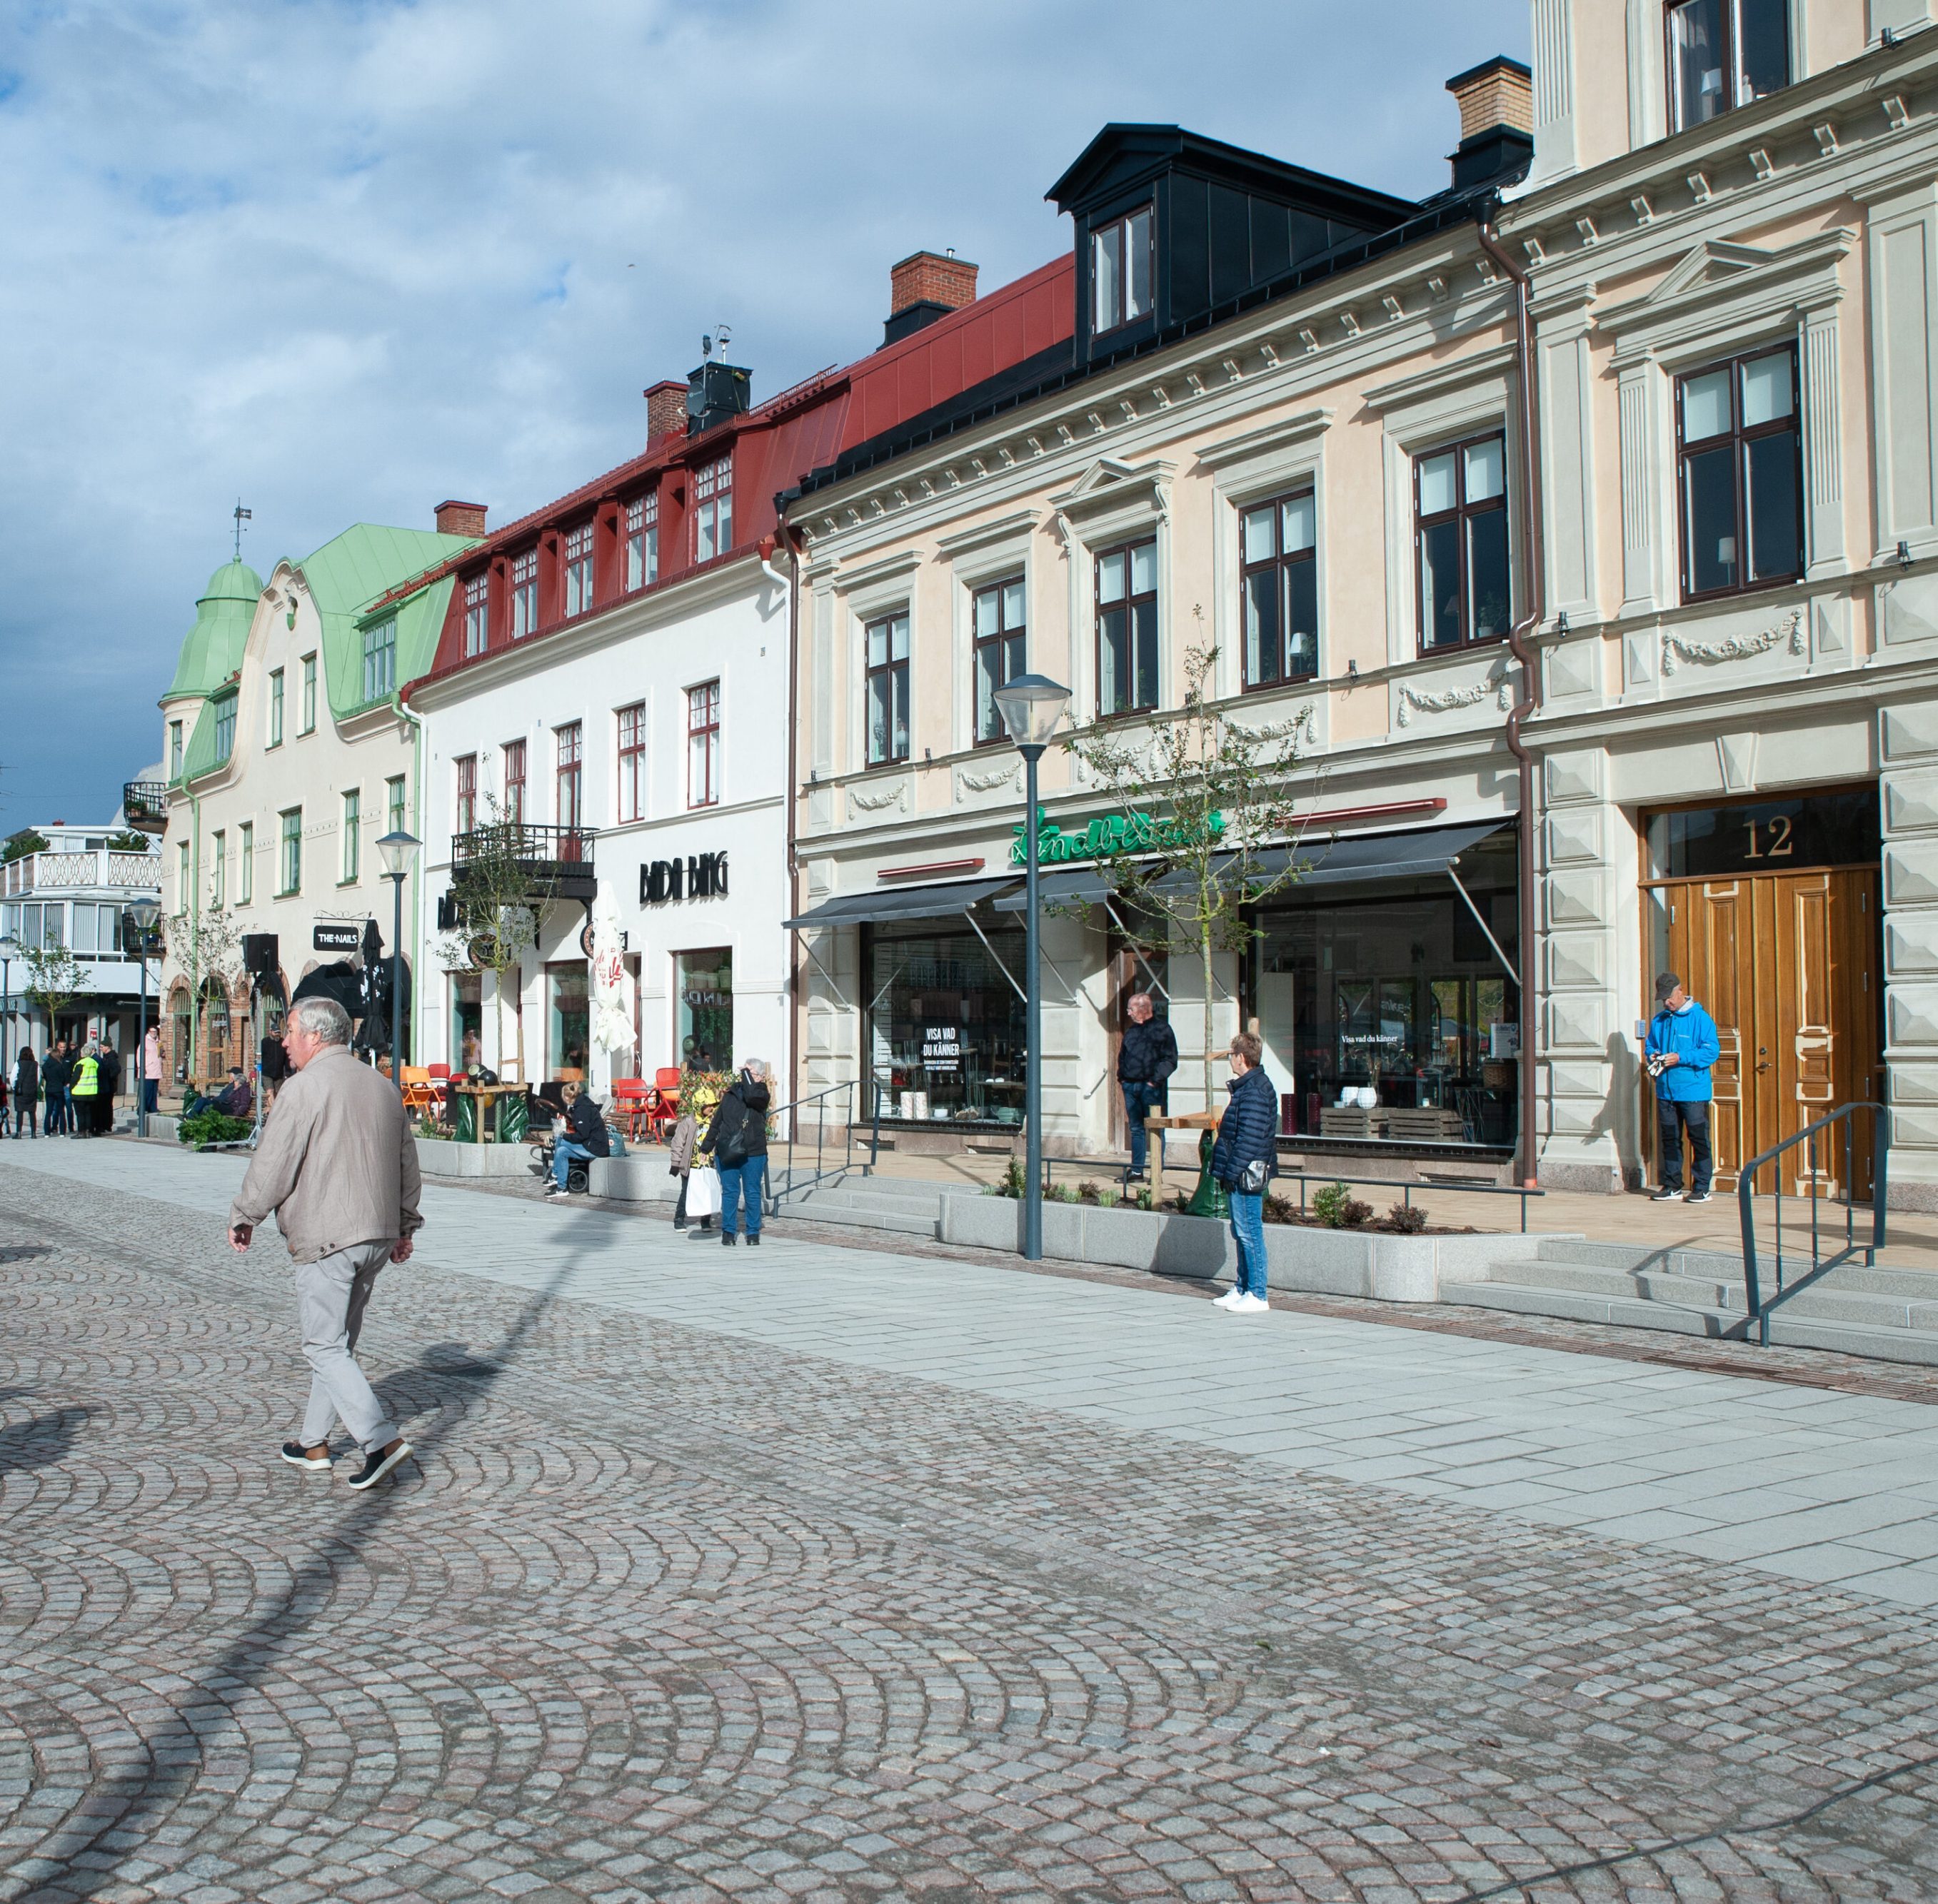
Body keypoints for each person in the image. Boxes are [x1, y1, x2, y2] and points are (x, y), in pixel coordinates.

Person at [227, 994, 421, 1491]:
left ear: (316, 1035)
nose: (284, 1040)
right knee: (338, 1344)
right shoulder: (382, 1087)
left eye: (290, 1030)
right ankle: (313, 1441)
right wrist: (404, 1225)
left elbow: (274, 1162)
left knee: (323, 1345)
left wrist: (245, 1213)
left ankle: (378, 1440)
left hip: (329, 1234)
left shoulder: (302, 1088)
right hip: (375, 1232)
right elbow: (407, 1163)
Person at [1209, 1032, 1278, 1315]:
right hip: (1240, 1172)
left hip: (1246, 1173)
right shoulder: (1247, 1087)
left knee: (1250, 1233)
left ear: (1241, 1057)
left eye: (1232, 1054)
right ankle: (1242, 1287)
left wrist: (1231, 1170)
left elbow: (1249, 1139)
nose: (1230, 1059)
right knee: (1241, 1232)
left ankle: (1258, 1293)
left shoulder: (1255, 1090)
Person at [1645, 971, 1720, 1204]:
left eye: (1669, 997)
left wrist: (1680, 1057)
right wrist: (1654, 1055)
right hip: (1666, 1091)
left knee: (1698, 1138)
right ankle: (1672, 1185)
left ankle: (1701, 1188)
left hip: (1694, 1092)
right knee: (1669, 1138)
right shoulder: (1660, 1020)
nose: (1667, 1002)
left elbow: (1711, 1051)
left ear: (1680, 991)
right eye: (1663, 999)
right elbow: (1650, 1046)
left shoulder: (1701, 1018)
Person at [700, 1059, 770, 1246]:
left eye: (751, 1073)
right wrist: (706, 1147)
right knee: (730, 1192)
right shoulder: (730, 1094)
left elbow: (752, 1096)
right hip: (728, 1150)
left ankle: (753, 1233)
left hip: (753, 1152)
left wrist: (747, 1076)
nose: (746, 1077)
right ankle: (728, 1232)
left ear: (761, 1077)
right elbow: (717, 1122)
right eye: (745, 1072)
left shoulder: (762, 1093)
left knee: (752, 1193)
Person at [1118, 992, 1178, 1184]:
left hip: (1151, 1087)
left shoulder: (1162, 1030)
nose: (1128, 1013)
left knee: (1156, 1129)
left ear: (1143, 1009)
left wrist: (1154, 1080)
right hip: (1131, 1086)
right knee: (1136, 1129)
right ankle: (1137, 1171)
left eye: (1131, 1009)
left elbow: (1170, 1059)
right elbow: (1123, 1056)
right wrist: (1122, 1079)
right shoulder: (1132, 1032)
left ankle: (1156, 1173)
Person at [543, 1079, 609, 1199]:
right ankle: (561, 1186)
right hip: (591, 1144)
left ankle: (556, 1175)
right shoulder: (581, 1106)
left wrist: (565, 1135)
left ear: (568, 1098)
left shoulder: (582, 1109)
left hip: (595, 1147)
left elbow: (582, 1135)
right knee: (561, 1148)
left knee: (561, 1141)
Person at [667, 1104, 711, 1233]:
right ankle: (679, 1219)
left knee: (707, 1192)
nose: (711, 1109)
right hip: (690, 1164)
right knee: (686, 1192)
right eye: (708, 1106)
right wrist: (675, 1163)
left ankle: (706, 1220)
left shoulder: (712, 1121)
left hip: (707, 1164)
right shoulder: (689, 1121)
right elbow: (677, 1143)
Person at [68, 1042, 99, 1139]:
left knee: (80, 1114)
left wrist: (71, 1088)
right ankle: (88, 1132)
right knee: (88, 1113)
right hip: (92, 1092)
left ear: (83, 1054)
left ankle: (81, 1132)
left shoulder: (81, 1064)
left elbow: (75, 1079)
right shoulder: (95, 1064)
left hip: (80, 1092)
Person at [94, 1037, 121, 1137]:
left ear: (107, 1047)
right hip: (107, 1085)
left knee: (106, 1107)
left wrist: (108, 1077)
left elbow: (117, 1069)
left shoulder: (111, 1058)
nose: (100, 1048)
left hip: (109, 1086)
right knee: (105, 1107)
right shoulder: (106, 1057)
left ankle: (106, 1126)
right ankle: (105, 1125)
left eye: (102, 1047)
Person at [41, 1042, 69, 1137]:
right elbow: (63, 1078)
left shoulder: (45, 1066)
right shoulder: (59, 1066)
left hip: (49, 1089)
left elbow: (45, 1077)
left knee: (48, 1111)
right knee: (61, 1111)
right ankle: (62, 1132)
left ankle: (47, 1133)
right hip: (59, 1089)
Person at [259, 1024, 288, 1104]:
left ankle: (275, 1110)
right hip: (267, 1073)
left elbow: (287, 1058)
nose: (277, 1034)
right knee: (270, 1091)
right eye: (275, 1032)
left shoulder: (283, 1043)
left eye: (279, 1032)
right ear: (270, 1032)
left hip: (279, 1074)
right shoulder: (265, 1042)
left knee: (278, 1094)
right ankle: (272, 1112)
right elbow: (260, 1056)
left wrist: (287, 1071)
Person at [13, 1044, 38, 1138]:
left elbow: (13, 1077)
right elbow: (38, 1079)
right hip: (32, 1091)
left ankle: (19, 1133)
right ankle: (33, 1133)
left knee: (20, 1112)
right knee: (32, 1112)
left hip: (21, 1092)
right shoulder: (36, 1064)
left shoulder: (18, 1063)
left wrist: (14, 1087)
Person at [141, 1024, 163, 1118]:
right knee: (148, 1091)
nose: (154, 1033)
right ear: (149, 1032)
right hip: (148, 1071)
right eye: (152, 1032)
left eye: (155, 1032)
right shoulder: (145, 1042)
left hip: (156, 1070)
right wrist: (142, 1068)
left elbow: (161, 1054)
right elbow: (140, 1055)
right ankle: (143, 1108)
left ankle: (153, 1107)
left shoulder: (159, 1042)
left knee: (154, 1091)